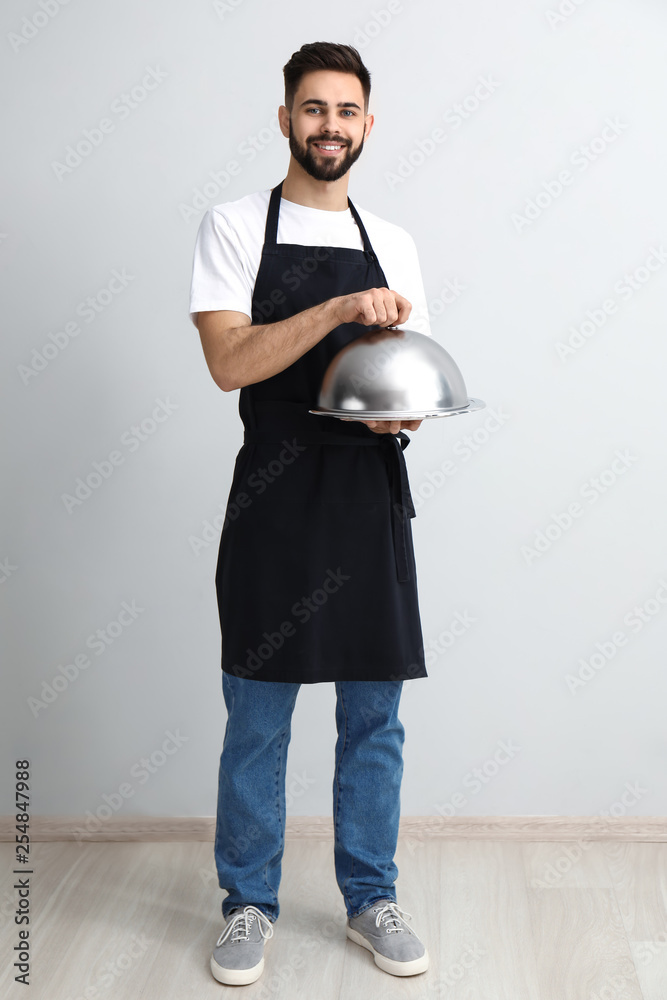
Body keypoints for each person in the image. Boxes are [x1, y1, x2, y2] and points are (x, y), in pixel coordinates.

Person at [189, 41, 431, 987]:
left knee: (375, 717)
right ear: (285, 119)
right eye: (313, 109)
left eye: (346, 111)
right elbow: (230, 365)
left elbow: (395, 384)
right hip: (275, 494)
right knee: (258, 718)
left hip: (367, 494)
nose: (329, 125)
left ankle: (371, 897)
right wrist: (334, 311)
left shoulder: (396, 240)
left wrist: (404, 402)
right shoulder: (234, 226)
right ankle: (247, 904)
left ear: (367, 125)